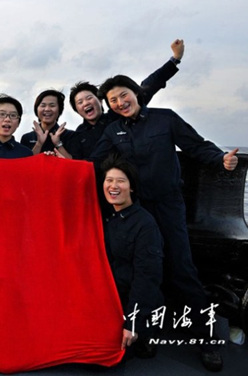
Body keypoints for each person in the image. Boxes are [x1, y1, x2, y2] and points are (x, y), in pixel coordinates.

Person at [91, 75, 238, 372]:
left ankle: (206, 341)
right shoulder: (113, 130)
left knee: (182, 269)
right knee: (141, 272)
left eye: (123, 95)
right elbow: (92, 163)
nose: (120, 103)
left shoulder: (165, 119)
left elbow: (196, 146)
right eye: (113, 100)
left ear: (135, 93)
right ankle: (146, 334)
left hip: (169, 206)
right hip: (138, 210)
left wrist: (220, 158)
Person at [67, 39, 185, 160]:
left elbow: (148, 86)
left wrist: (175, 59)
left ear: (100, 100)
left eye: (89, 98)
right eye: (80, 102)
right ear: (76, 109)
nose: (86, 103)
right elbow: (78, 163)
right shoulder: (79, 134)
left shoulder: (118, 114)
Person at [101, 155, 164, 358]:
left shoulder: (145, 225)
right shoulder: (105, 217)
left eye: (120, 181)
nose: (113, 186)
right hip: (110, 299)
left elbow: (147, 278)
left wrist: (132, 323)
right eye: (109, 180)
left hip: (134, 306)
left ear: (132, 188)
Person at [20, 89, 75, 156]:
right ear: (36, 109)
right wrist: (39, 144)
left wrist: (58, 144)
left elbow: (74, 161)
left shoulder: (70, 136)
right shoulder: (27, 138)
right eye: (43, 105)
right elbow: (25, 162)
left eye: (52, 105)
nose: (47, 109)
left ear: (60, 109)